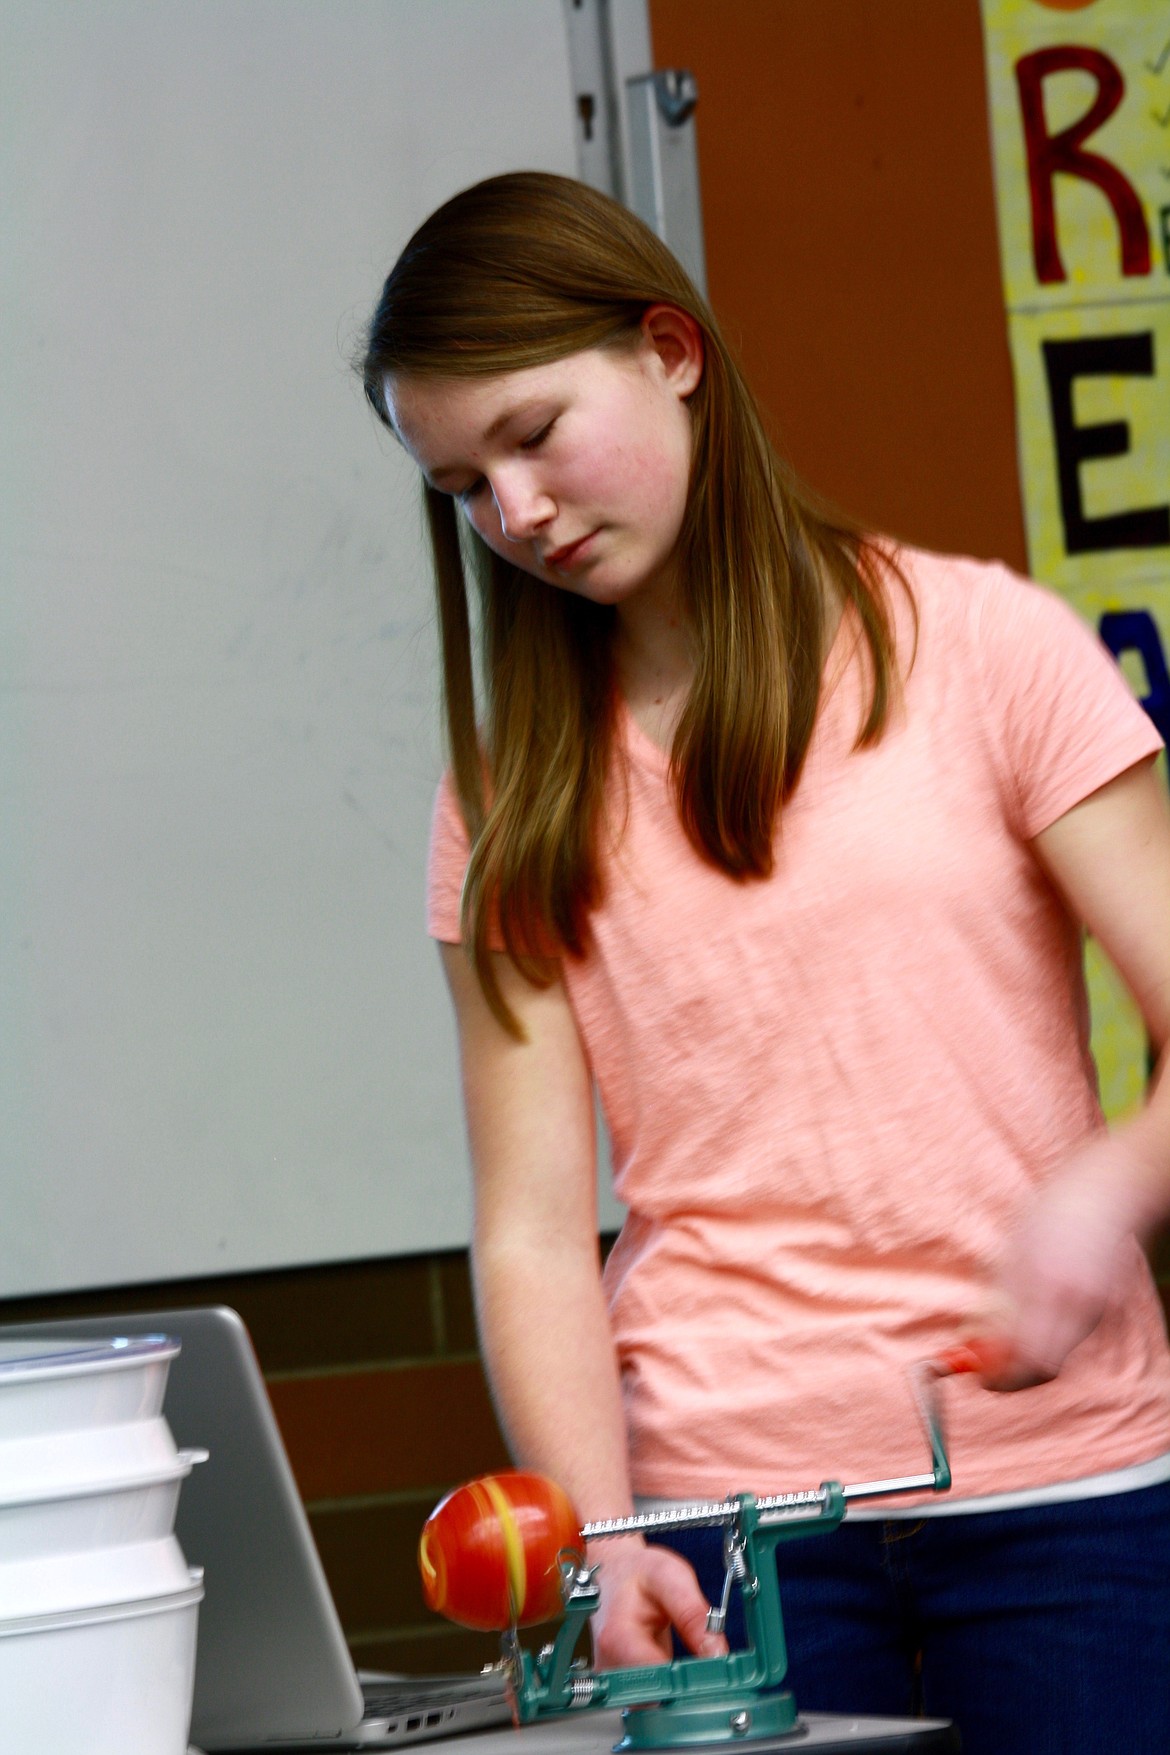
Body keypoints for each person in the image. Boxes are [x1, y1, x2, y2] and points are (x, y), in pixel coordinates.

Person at [361, 172, 1170, 1754]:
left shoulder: (986, 650)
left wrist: (1104, 1187)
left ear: (670, 348)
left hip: (1070, 1497)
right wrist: (603, 1537)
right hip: (719, 1530)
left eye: (532, 435)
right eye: (461, 484)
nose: (512, 514)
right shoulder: (511, 789)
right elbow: (529, 1228)